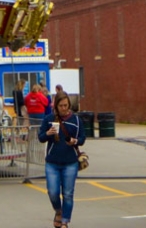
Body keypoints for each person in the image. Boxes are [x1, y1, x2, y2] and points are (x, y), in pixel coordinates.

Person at [40, 92, 85, 228]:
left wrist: (75, 141)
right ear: (56, 106)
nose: (64, 108)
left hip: (70, 162)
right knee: (52, 192)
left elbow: (82, 138)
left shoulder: (76, 120)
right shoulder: (48, 119)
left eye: (66, 105)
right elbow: (41, 137)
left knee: (68, 193)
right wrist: (47, 134)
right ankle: (58, 211)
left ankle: (65, 221)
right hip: (52, 162)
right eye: (61, 106)